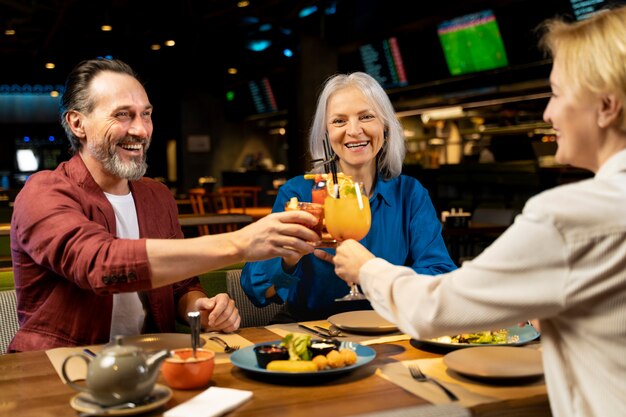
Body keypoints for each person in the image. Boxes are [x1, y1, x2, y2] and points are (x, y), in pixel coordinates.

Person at [332, 6, 626, 417]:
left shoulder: (566, 216)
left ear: (607, 106)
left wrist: (366, 268)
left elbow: (436, 309)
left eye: (557, 93)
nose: (547, 113)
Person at [8, 58, 320, 352]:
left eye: (146, 114)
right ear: (77, 123)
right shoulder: (43, 192)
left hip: (148, 363)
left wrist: (200, 308)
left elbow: (181, 286)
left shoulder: (156, 195)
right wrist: (240, 243)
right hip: (59, 369)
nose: (141, 130)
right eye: (122, 114)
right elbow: (100, 265)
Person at [241, 72, 456, 322]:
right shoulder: (298, 194)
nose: (354, 131)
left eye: (366, 117)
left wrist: (374, 273)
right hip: (311, 330)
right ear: (326, 134)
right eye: (339, 121)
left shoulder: (410, 194)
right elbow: (255, 291)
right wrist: (288, 259)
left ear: (385, 128)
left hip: (389, 331)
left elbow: (440, 277)